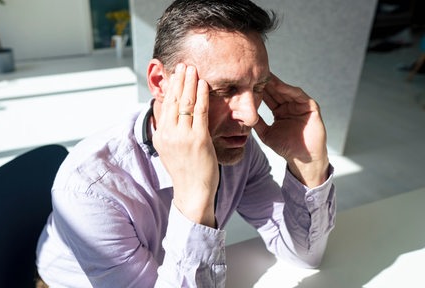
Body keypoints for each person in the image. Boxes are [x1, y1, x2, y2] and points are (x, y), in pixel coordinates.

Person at [36, 0, 336, 287]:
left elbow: (303, 254)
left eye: (258, 87)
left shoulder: (234, 146)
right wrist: (196, 198)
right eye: (226, 89)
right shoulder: (91, 188)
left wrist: (308, 164)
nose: (250, 115)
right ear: (159, 82)